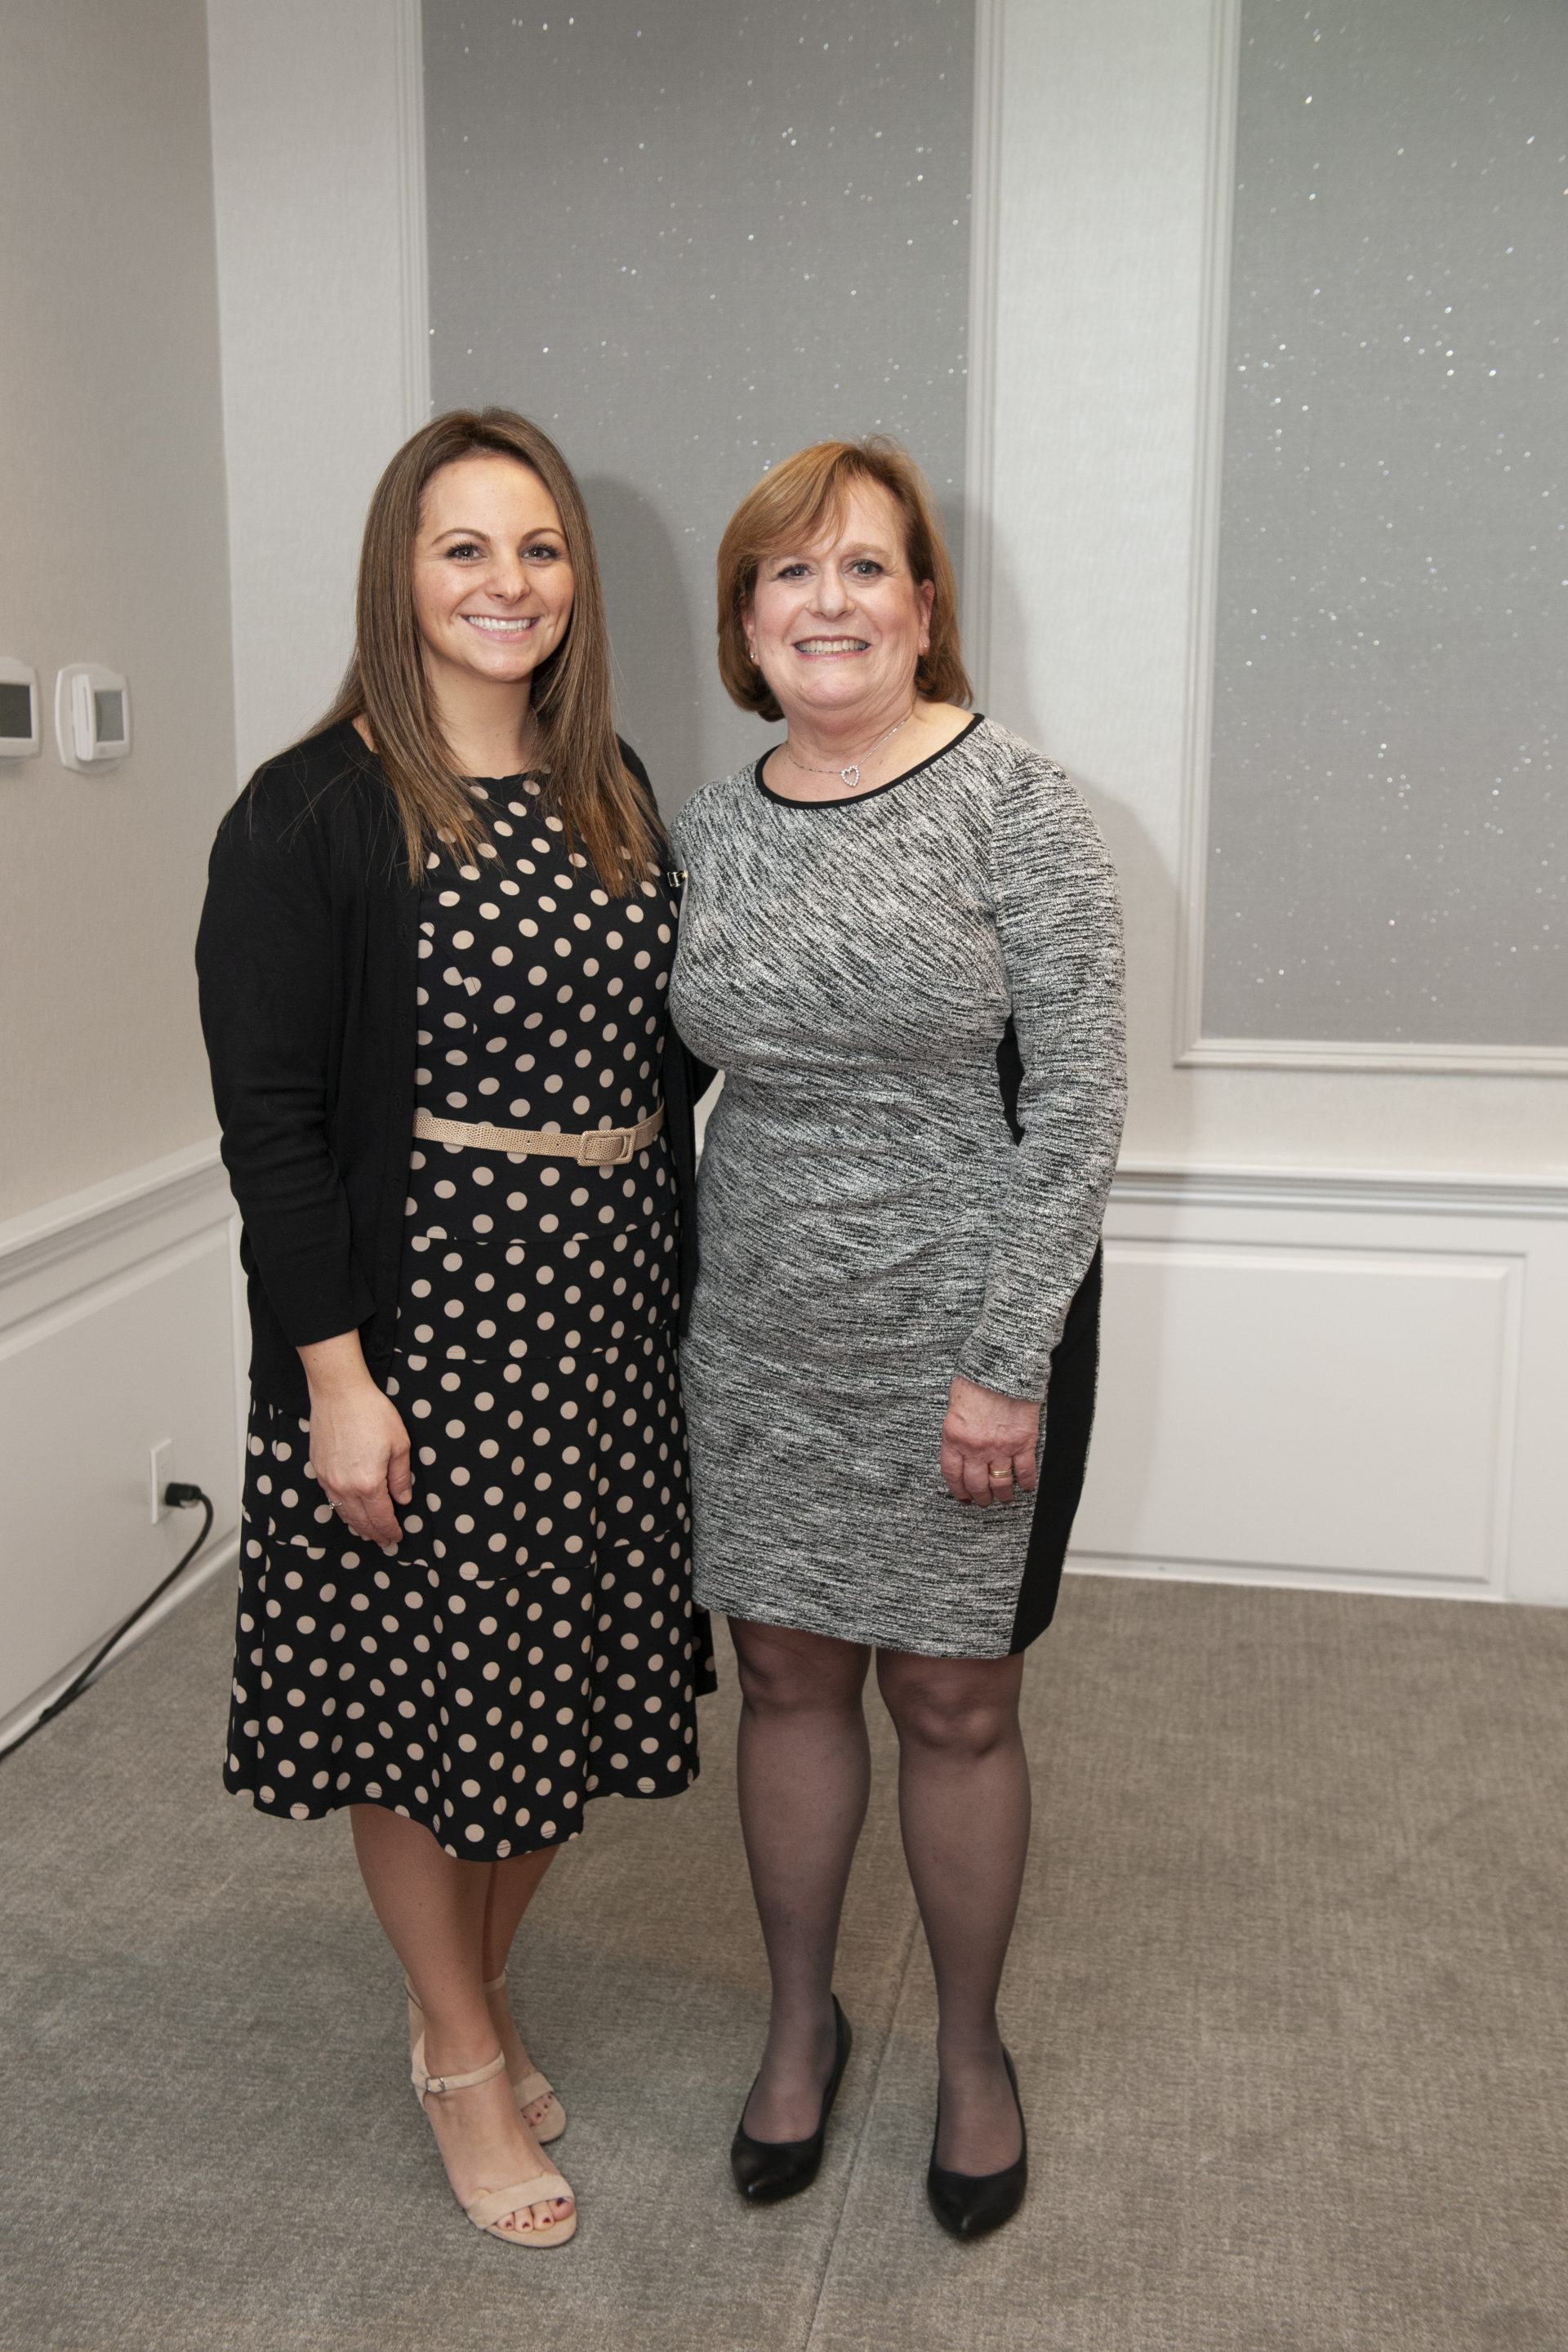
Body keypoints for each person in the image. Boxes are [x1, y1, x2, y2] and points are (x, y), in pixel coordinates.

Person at [197, 408, 714, 2249]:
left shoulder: (613, 786)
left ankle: (464, 2004)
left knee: (550, 1695)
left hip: (603, 1330)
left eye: (540, 547)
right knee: (425, 1713)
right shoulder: (309, 811)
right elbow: (273, 1126)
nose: (510, 583)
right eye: (465, 548)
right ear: (398, 576)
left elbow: (668, 1058)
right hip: (420, 1344)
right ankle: (465, 2059)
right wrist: (335, 1381)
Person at [668, 438, 1125, 2240]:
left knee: (952, 1698)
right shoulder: (710, 830)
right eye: (790, 573)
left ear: (925, 608)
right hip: (760, 1323)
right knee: (785, 1676)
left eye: (866, 567)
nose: (829, 602)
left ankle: (973, 2051)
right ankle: (800, 2024)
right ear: (746, 624)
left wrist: (1007, 1361)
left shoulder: (1021, 807)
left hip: (967, 1327)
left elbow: (1076, 1107)